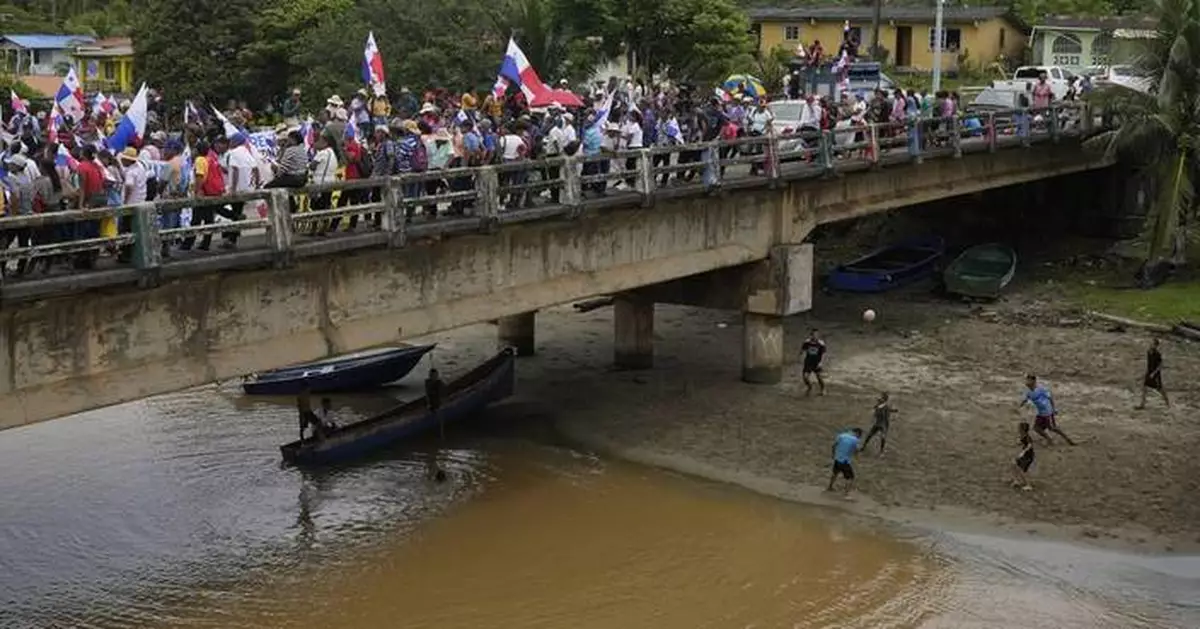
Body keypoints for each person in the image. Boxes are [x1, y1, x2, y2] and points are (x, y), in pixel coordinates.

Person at [1019, 374, 1076, 446]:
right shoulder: (1028, 391)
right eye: (1027, 380)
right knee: (1037, 428)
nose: (1026, 382)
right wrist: (1021, 405)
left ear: (1034, 381)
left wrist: (1054, 409)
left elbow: (1050, 398)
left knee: (1052, 428)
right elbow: (1025, 399)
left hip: (1047, 412)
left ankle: (1068, 439)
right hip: (1040, 413)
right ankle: (1049, 439)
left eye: (1028, 380)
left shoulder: (1041, 389)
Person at [827, 427, 862, 496]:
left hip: (837, 459)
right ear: (857, 433)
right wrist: (857, 456)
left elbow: (834, 446)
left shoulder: (841, 435)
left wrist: (833, 454)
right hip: (845, 461)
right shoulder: (855, 440)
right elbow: (856, 450)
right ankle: (846, 493)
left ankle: (830, 487)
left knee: (835, 473)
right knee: (850, 477)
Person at [1137, 338, 1170, 409]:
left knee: (1160, 389)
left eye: (1152, 344)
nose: (1150, 345)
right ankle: (1142, 404)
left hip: (1155, 374)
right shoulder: (1148, 352)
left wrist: (1154, 373)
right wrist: (1147, 373)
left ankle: (1167, 403)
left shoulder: (1157, 354)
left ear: (1155, 345)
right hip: (1149, 372)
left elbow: (1160, 365)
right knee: (1144, 387)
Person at [800, 328, 826, 395]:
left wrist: (821, 362)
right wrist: (801, 356)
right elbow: (802, 350)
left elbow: (823, 354)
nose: (815, 336)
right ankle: (810, 387)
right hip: (808, 362)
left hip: (817, 362)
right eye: (813, 335)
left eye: (816, 335)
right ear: (811, 335)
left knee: (819, 377)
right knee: (805, 377)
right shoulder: (807, 342)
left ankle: (823, 389)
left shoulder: (821, 343)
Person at [1011, 421, 1035, 491]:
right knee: (1013, 464)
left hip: (1028, 456)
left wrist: (1023, 452)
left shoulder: (1027, 437)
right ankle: (1016, 480)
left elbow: (1030, 445)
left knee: (1021, 470)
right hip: (1025, 455)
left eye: (1019, 428)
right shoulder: (1023, 436)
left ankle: (1028, 485)